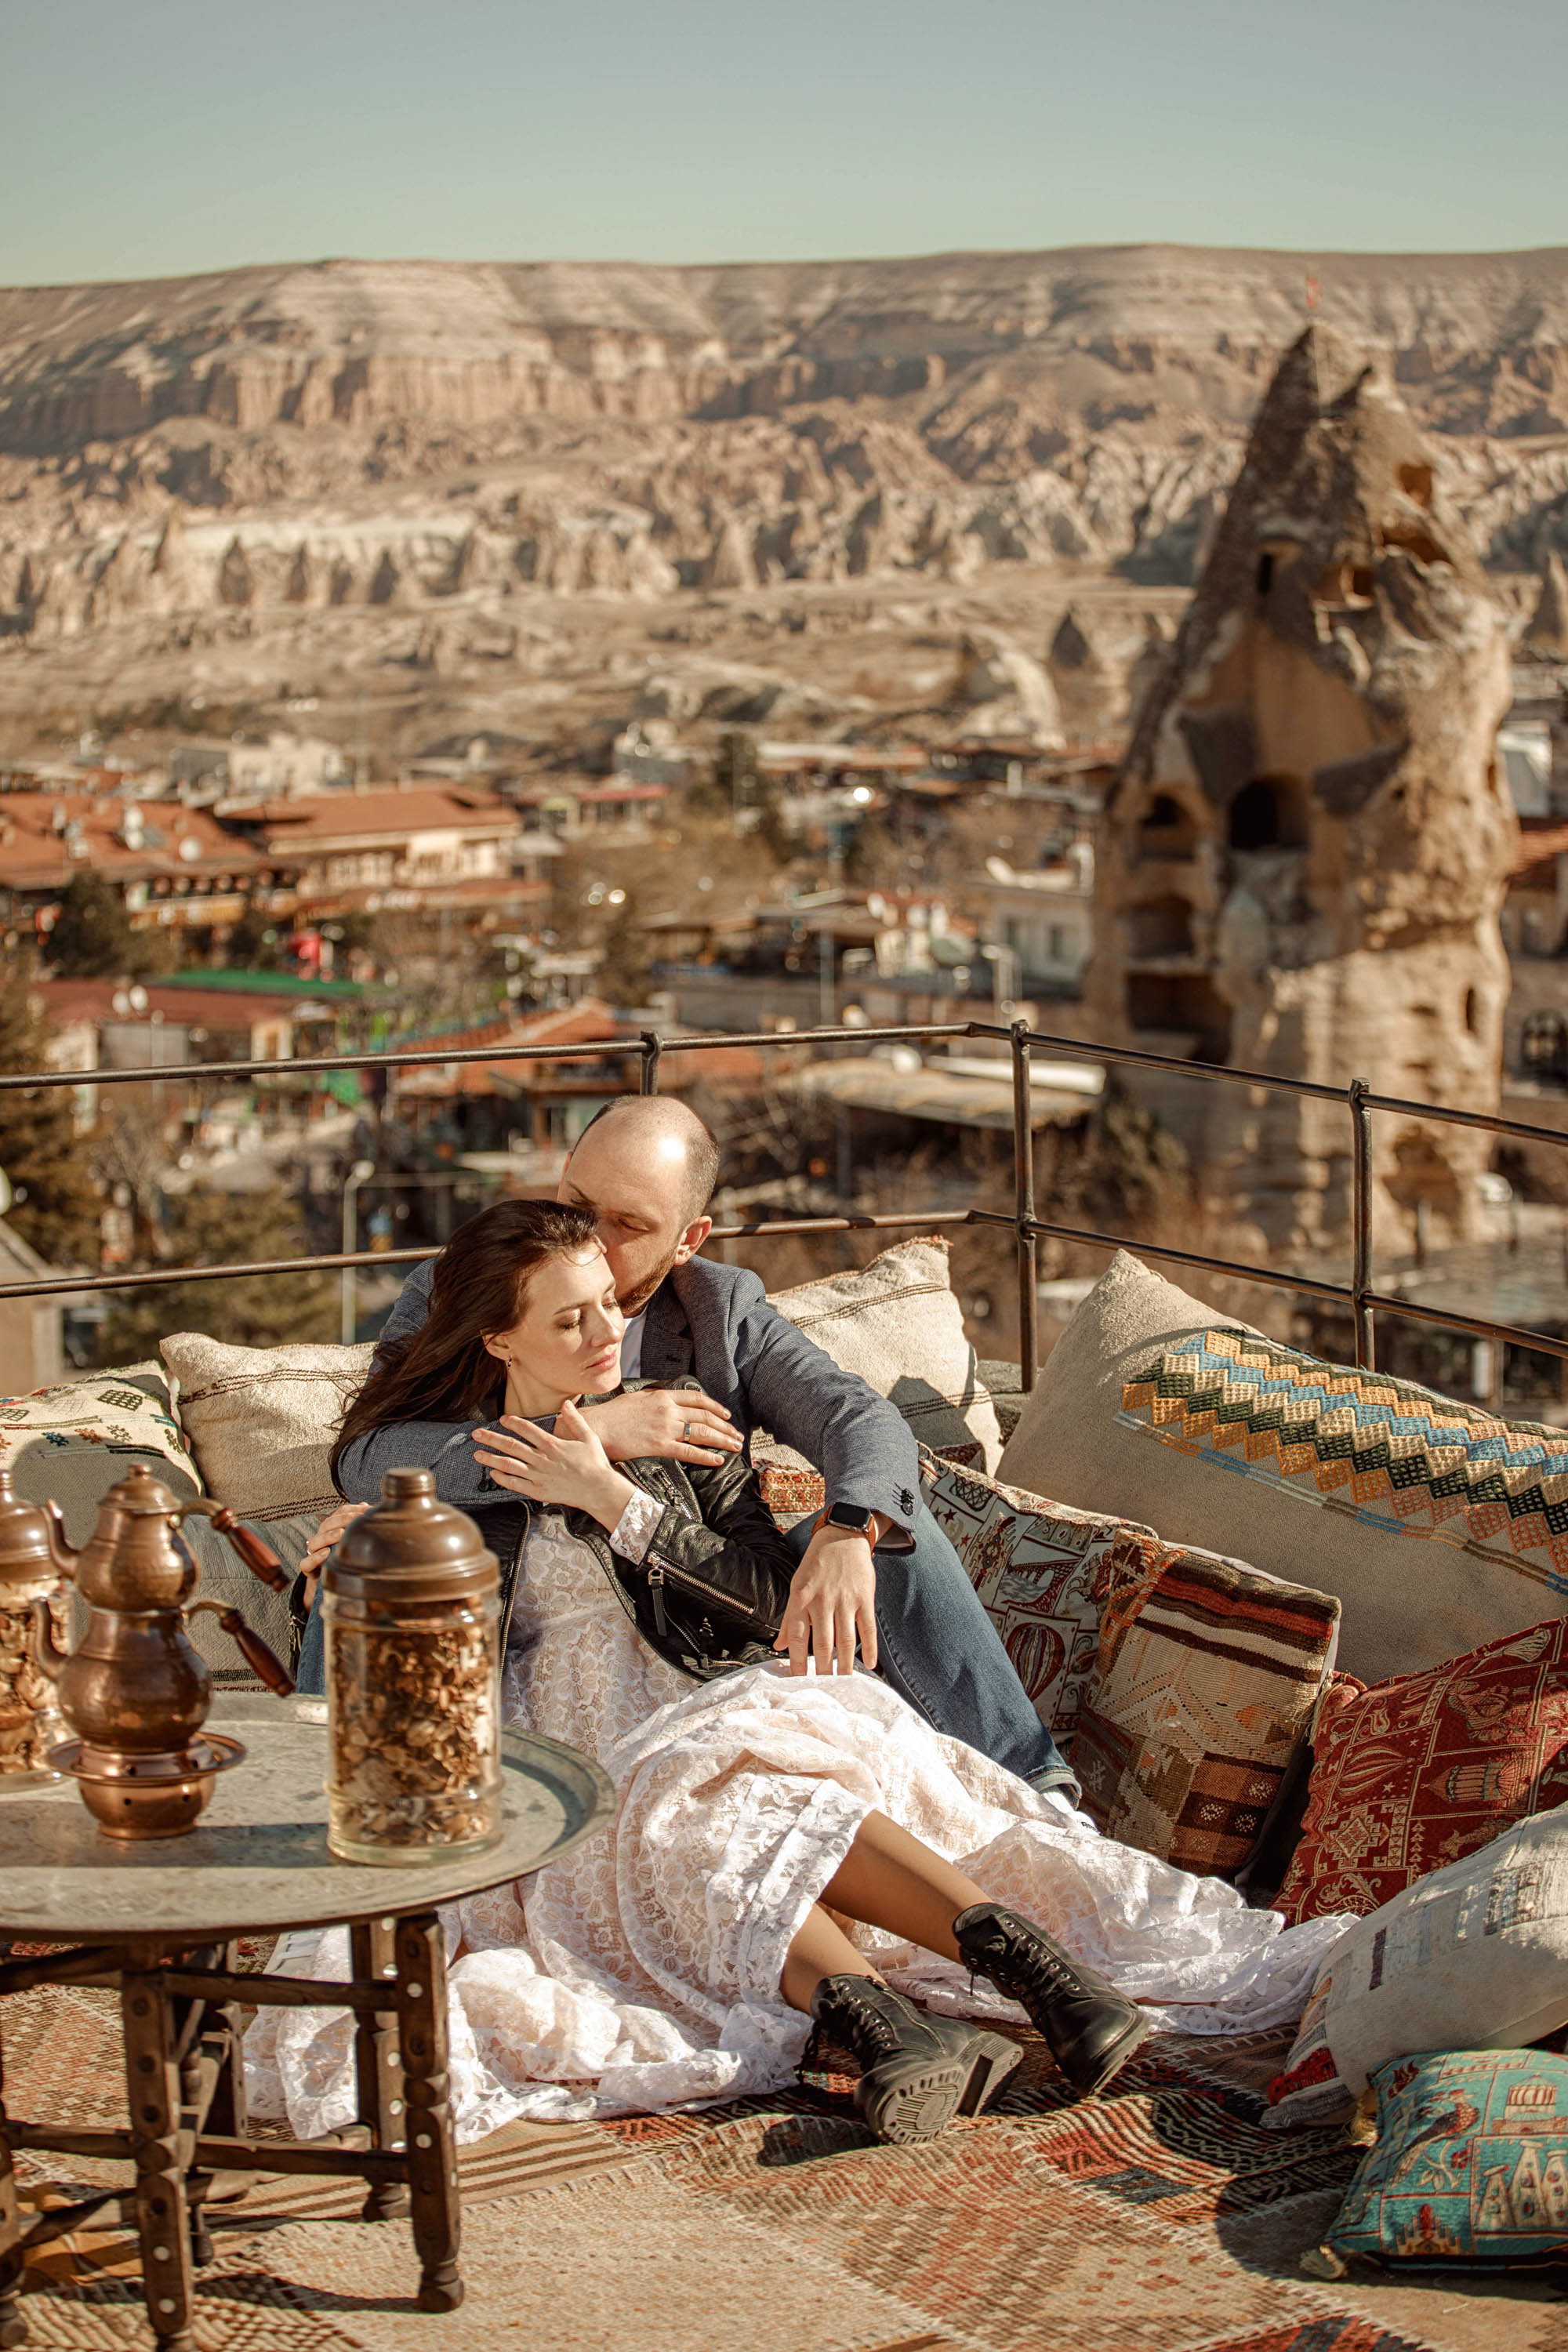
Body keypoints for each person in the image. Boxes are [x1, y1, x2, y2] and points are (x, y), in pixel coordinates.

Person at [252, 1201, 1346, 2148]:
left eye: (610, 1304)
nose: (608, 1330)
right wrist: (370, 1548)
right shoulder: (441, 1471)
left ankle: (1041, 1978)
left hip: (705, 1685)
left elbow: (765, 1596)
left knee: (750, 1773)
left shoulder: (682, 1425)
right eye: (571, 1316)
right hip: (562, 1733)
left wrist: (613, 1496)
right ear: (498, 1337)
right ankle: (885, 2023)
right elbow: (382, 1489)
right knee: (685, 1811)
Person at [299, 1095, 1076, 1795]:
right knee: (357, 1559)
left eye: (628, 1226)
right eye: (575, 1203)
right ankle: (319, 1826)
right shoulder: (467, 1288)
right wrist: (594, 1433)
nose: (592, 1245)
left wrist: (847, 1533)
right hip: (516, 1623)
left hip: (696, 1622)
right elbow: (370, 1456)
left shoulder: (718, 1311)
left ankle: (1036, 1791)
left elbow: (858, 1420)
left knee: (884, 1540)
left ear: (686, 1239)